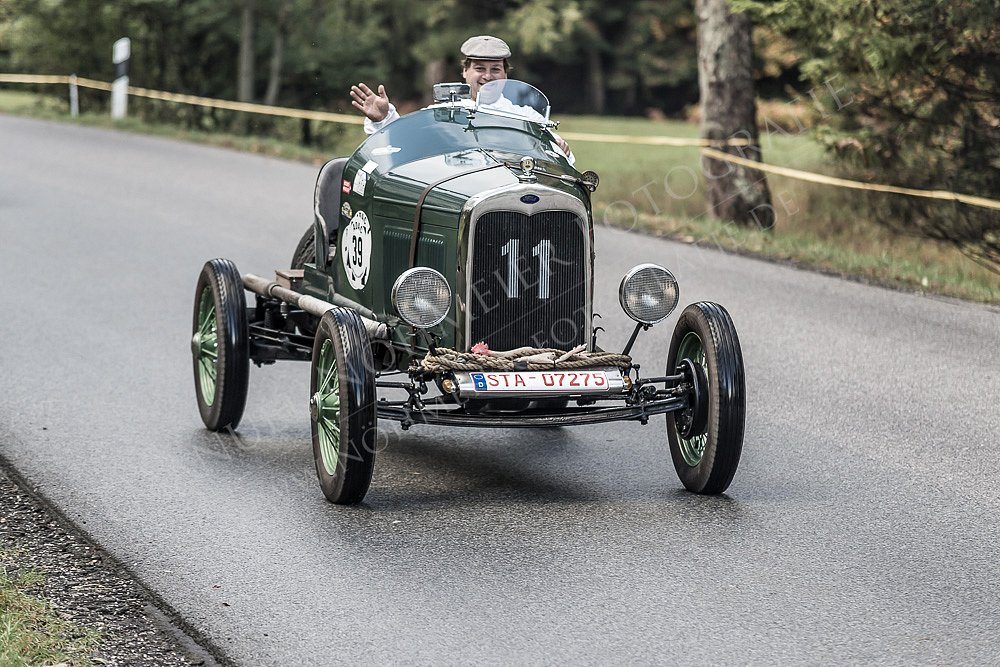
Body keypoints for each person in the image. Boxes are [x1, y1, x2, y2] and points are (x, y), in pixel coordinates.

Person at [350, 35, 573, 161]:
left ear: (506, 74)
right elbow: (406, 140)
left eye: (495, 69)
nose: (488, 76)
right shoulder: (446, 111)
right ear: (465, 72)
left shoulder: (526, 116)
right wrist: (383, 118)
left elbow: (560, 161)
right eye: (479, 68)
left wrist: (561, 149)